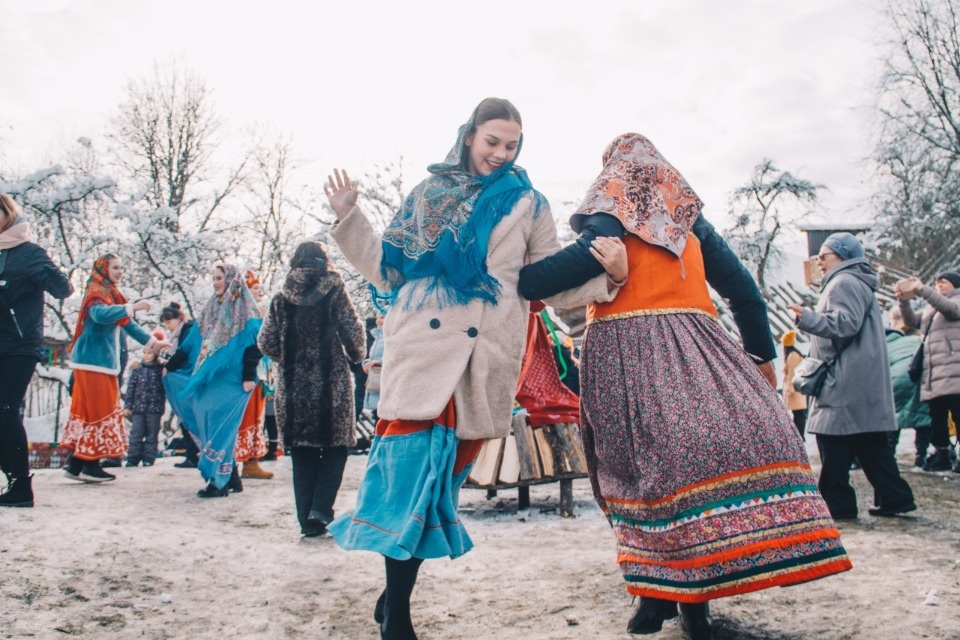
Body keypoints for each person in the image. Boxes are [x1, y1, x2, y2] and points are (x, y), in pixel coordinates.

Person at [520, 133, 851, 639]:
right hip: (697, 347)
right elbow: (744, 292)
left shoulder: (611, 203)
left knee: (635, 470)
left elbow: (582, 259)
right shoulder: (687, 220)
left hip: (626, 351)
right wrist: (760, 358)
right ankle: (688, 600)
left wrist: (518, 279)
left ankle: (660, 594)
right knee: (689, 463)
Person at [322, 98, 625, 640]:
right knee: (410, 479)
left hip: (485, 355)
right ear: (469, 136)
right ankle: (398, 615)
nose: (501, 153)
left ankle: (393, 594)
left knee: (442, 483)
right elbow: (387, 269)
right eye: (492, 142)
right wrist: (349, 217)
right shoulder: (429, 194)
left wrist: (610, 279)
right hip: (424, 349)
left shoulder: (529, 204)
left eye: (512, 145)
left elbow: (545, 279)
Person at [787, 232, 916, 520]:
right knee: (869, 444)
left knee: (832, 441)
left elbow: (844, 324)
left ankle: (838, 504)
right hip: (858, 377)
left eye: (824, 255)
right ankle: (895, 497)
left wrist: (807, 318)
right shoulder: (856, 281)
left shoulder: (843, 282)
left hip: (844, 379)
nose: (819, 261)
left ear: (843, 256)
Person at [257, 241, 366, 537]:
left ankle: (307, 522)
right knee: (337, 446)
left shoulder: (281, 298)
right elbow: (353, 334)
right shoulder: (334, 290)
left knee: (302, 453)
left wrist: (288, 358)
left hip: (294, 387)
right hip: (332, 385)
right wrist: (356, 356)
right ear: (324, 262)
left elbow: (265, 342)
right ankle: (321, 507)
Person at [62, 254, 170, 483]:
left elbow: (128, 324)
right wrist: (130, 307)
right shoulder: (96, 291)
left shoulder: (111, 293)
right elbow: (99, 315)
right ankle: (89, 465)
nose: (120, 272)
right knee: (97, 412)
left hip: (102, 363)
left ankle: (76, 464)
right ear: (104, 268)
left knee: (94, 411)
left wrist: (153, 342)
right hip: (92, 362)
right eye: (115, 267)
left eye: (121, 268)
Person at [0, 194, 73, 507]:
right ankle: (11, 476)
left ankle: (21, 487)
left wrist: (46, 271)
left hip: (19, 345)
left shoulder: (28, 253)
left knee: (5, 410)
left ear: (7, 213)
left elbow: (63, 289)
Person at [184, 263, 263, 498]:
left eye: (219, 278)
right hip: (212, 377)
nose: (215, 283)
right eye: (214, 278)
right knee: (211, 421)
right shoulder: (213, 307)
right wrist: (172, 365)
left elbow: (256, 343)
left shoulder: (245, 308)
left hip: (234, 378)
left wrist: (248, 375)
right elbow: (194, 341)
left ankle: (218, 481)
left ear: (230, 280)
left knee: (223, 427)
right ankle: (232, 477)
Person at [896, 271, 960, 472]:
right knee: (936, 416)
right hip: (933, 372)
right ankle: (942, 454)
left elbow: (950, 309)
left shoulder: (956, 301)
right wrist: (903, 301)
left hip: (954, 370)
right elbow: (911, 322)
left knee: (958, 414)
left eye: (944, 282)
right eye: (937, 282)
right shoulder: (932, 307)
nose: (939, 285)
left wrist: (924, 290)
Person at [235, 269, 272, 480]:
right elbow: (252, 344)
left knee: (258, 414)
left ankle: (252, 461)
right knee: (247, 414)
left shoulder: (261, 312)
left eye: (260, 288)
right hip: (249, 371)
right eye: (255, 288)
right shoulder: (247, 314)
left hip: (261, 371)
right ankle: (242, 459)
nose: (259, 291)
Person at [885, 306, 932, 467]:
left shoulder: (887, 342)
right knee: (923, 418)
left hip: (896, 379)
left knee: (893, 418)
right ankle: (921, 456)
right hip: (919, 378)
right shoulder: (919, 339)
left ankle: (889, 455)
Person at [159, 302, 202, 468]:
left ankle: (194, 454)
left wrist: (170, 366)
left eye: (169, 322)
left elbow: (185, 352)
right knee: (186, 416)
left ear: (179, 318)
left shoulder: (188, 331)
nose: (168, 327)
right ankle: (192, 453)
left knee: (188, 415)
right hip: (184, 376)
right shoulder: (181, 333)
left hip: (187, 377)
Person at [123, 337, 167, 467]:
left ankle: (148, 458)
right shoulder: (137, 369)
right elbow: (130, 389)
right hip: (138, 408)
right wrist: (128, 406)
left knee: (151, 435)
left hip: (154, 408)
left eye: (150, 353)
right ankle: (132, 458)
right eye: (145, 353)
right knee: (136, 434)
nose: (147, 356)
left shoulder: (160, 370)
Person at [781, 330, 809, 437]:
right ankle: (799, 436)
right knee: (798, 414)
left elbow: (792, 374)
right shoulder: (794, 354)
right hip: (797, 390)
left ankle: (800, 436)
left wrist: (789, 390)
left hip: (795, 391)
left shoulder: (792, 355)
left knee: (799, 414)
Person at [362, 314, 385, 422]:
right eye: (378, 318)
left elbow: (398, 356)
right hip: (376, 383)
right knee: (378, 417)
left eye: (382, 317)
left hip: (385, 385)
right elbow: (373, 357)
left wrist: (379, 362)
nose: (379, 320)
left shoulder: (391, 337)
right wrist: (367, 363)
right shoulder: (378, 336)